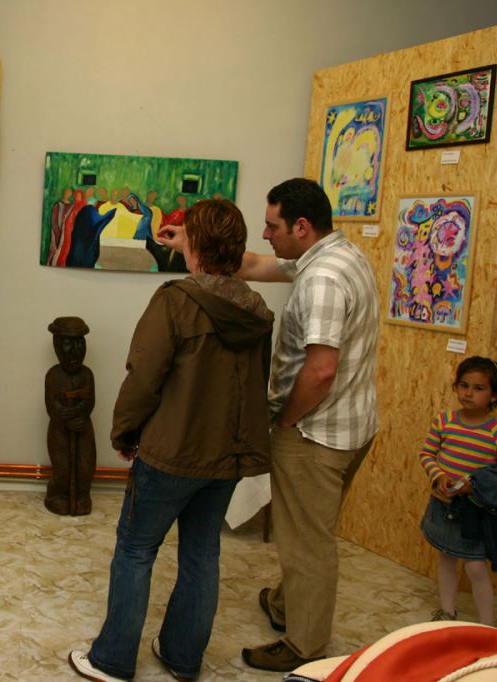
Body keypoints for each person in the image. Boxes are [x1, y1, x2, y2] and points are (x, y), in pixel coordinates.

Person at [157, 177, 380, 672]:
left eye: (272, 225)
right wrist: (189, 240)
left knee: (307, 545)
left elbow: (320, 371)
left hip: (315, 434)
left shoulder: (322, 280)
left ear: (301, 226)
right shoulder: (339, 255)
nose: (265, 233)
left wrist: (285, 420)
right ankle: (285, 603)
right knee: (310, 527)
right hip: (354, 424)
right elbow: (255, 264)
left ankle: (305, 646)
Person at [69, 198, 274, 681]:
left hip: (171, 454)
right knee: (202, 554)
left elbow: (144, 377)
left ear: (196, 243)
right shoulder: (256, 309)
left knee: (136, 550)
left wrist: (124, 431)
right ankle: (182, 657)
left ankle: (112, 660)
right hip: (226, 457)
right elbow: (257, 382)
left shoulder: (175, 301)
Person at [418, 356, 497, 626]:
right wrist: (439, 475)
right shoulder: (444, 421)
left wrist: (474, 486)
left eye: (479, 388)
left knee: (475, 567)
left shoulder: (496, 430)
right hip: (443, 505)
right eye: (463, 385)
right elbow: (427, 453)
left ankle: (487, 626)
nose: (468, 393)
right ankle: (448, 611)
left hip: (475, 512)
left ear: (494, 395)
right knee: (446, 556)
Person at [44, 316, 96, 516]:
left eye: (80, 343)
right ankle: (58, 494)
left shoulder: (87, 374)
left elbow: (89, 402)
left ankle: (82, 495)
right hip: (60, 431)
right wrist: (64, 416)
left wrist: (79, 413)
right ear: (57, 346)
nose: (75, 351)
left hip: (83, 429)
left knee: (86, 465)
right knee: (62, 467)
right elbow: (51, 405)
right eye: (68, 344)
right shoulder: (53, 375)